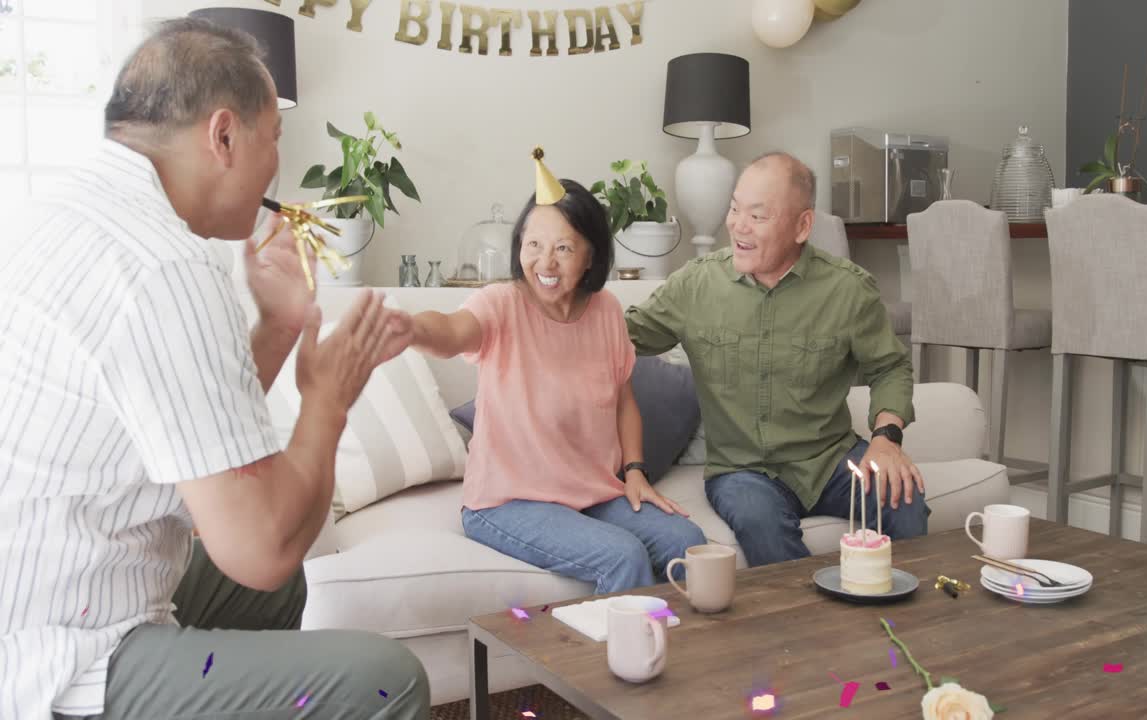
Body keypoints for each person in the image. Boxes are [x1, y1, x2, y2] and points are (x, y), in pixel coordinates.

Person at [0, 18, 429, 720]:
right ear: (224, 136)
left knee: (276, 593)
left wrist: (281, 326)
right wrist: (327, 399)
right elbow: (262, 544)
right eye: (276, 141)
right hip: (55, 656)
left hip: (40, 593)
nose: (276, 171)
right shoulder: (166, 264)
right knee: (386, 679)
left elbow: (192, 433)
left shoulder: (62, 211)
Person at [407, 150, 705, 594]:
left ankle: (687, 656)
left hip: (593, 493)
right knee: (621, 556)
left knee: (688, 543)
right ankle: (626, 661)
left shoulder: (605, 311)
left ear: (591, 256)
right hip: (507, 502)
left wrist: (636, 471)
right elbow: (451, 332)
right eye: (534, 245)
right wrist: (407, 327)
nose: (545, 263)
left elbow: (624, 400)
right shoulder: (501, 304)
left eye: (563, 248)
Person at [625, 152, 929, 568]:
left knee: (904, 498)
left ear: (802, 226)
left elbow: (889, 367)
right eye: (734, 209)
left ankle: (905, 622)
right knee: (758, 520)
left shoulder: (848, 290)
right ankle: (811, 627)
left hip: (830, 459)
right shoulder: (696, 285)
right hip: (742, 471)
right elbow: (623, 339)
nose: (737, 225)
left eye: (758, 215)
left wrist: (886, 440)